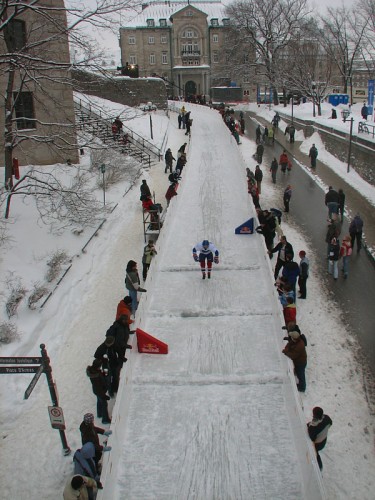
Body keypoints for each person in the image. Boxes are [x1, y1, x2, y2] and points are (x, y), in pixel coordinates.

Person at [86, 359, 111, 424]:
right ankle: (105, 419)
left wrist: (103, 374)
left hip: (98, 391)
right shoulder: (96, 376)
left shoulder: (94, 371)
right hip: (100, 391)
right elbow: (98, 387)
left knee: (99, 401)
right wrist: (104, 396)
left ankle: (99, 414)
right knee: (104, 403)